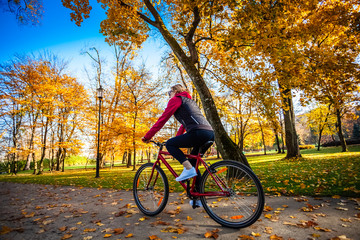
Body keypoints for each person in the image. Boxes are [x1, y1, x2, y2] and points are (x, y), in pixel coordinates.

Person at [142, 84, 214, 190]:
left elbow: (163, 119)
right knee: (193, 164)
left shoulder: (176, 99)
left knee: (170, 144)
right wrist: (177, 139)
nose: (168, 96)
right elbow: (183, 126)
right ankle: (197, 197)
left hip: (198, 132)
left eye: (169, 93)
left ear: (175, 91)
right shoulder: (189, 102)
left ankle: (188, 169)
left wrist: (148, 136)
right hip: (209, 133)